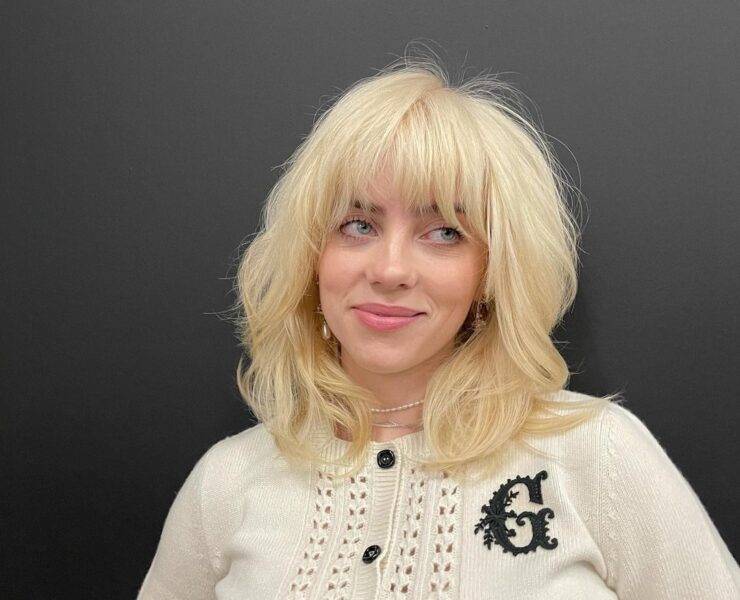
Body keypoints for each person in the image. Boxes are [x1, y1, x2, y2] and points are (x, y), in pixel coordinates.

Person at [137, 54, 739, 599]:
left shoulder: (596, 453)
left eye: (445, 232)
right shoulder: (228, 481)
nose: (390, 270)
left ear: (492, 271)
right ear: (311, 256)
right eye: (357, 225)